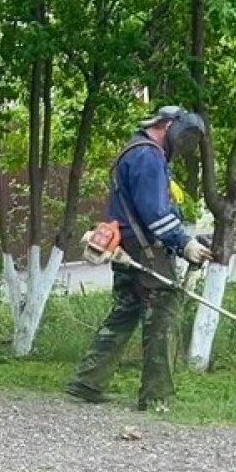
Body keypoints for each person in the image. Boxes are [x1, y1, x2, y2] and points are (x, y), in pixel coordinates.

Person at [66, 105, 211, 412]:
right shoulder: (148, 156)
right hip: (147, 251)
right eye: (184, 136)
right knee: (163, 315)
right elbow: (155, 213)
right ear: (168, 125)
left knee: (125, 313)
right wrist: (184, 243)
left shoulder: (135, 151)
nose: (184, 145)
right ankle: (156, 397)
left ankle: (87, 382)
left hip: (126, 247)